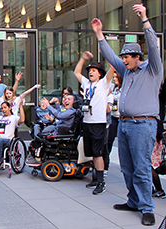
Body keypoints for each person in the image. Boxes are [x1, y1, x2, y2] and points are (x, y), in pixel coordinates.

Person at [92, 4, 163, 225]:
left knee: (141, 167)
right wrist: (99, 35)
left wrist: (144, 18)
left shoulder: (152, 69)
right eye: (123, 57)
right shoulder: (126, 71)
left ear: (137, 56)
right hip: (124, 125)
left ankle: (147, 207)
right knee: (127, 167)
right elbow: (110, 56)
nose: (123, 61)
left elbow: (153, 46)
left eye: (127, 57)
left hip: (143, 125)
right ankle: (133, 201)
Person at [74, 50, 112, 195]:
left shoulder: (104, 83)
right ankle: (96, 179)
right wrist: (83, 58)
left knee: (98, 153)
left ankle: (101, 182)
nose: (91, 73)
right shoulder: (86, 83)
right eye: (90, 70)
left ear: (100, 73)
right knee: (91, 153)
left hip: (98, 122)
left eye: (94, 70)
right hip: (87, 121)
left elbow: (113, 67)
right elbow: (77, 72)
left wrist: (106, 55)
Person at [26, 94, 78, 166]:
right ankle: (35, 156)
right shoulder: (68, 110)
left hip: (60, 134)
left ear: (74, 102)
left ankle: (37, 157)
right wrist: (57, 103)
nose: (66, 100)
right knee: (38, 134)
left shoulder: (72, 111)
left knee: (40, 137)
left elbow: (59, 115)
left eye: (69, 99)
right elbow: (60, 115)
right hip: (58, 130)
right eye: (65, 99)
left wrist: (48, 105)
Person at [0, 102, 25, 168]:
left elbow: (22, 119)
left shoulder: (14, 118)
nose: (3, 109)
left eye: (5, 107)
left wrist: (20, 106)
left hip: (8, 140)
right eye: (2, 108)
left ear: (9, 108)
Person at [106, 68, 122, 168]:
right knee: (109, 140)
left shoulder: (124, 88)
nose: (115, 79)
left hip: (122, 117)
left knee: (122, 142)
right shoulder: (113, 88)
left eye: (116, 77)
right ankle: (105, 164)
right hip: (113, 117)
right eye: (114, 77)